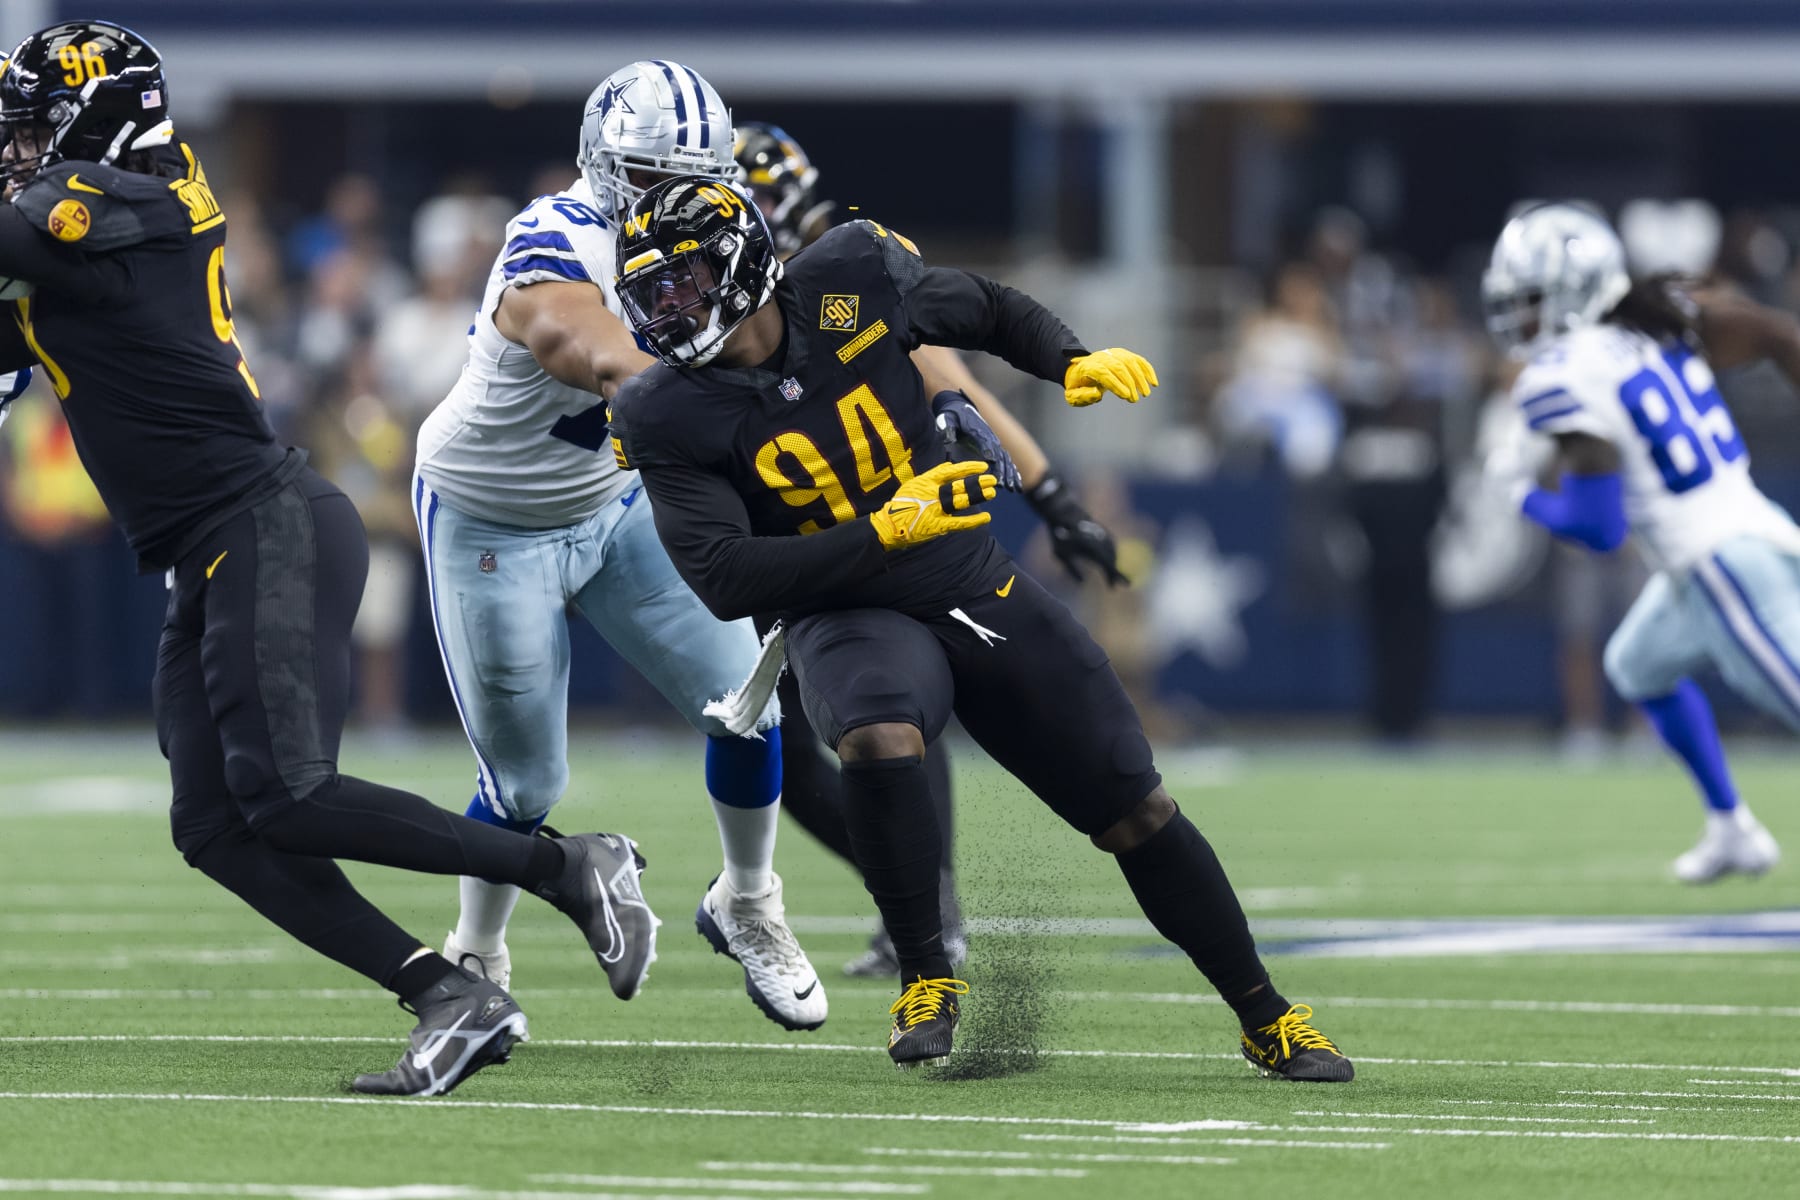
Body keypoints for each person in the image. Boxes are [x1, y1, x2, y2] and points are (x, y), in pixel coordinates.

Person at [0, 20, 665, 1097]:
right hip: (209, 543)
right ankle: (451, 994)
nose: (19, 150)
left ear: (92, 115)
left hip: (262, 523)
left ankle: (569, 864)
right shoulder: (96, 215)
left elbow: (25, 245)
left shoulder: (123, 196)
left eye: (31, 126)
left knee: (290, 793)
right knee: (216, 825)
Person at [607, 175, 1353, 1080]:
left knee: (1136, 809)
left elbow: (987, 310)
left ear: (744, 263)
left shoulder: (848, 278)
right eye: (652, 292)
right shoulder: (662, 410)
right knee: (879, 734)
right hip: (840, 607)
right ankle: (927, 971)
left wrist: (1068, 360)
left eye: (683, 280)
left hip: (962, 575)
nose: (669, 307)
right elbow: (725, 577)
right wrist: (881, 529)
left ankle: (1264, 1016)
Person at [414, 63, 824, 1031]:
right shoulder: (553, 238)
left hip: (617, 502)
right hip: (493, 518)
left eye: (695, 177)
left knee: (745, 710)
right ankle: (475, 948)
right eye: (650, 176)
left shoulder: (720, 238)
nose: (673, 200)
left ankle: (749, 900)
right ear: (604, 165)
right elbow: (591, 347)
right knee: (525, 785)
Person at [733, 121, 1129, 978]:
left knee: (888, 721)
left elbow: (961, 374)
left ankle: (928, 908)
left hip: (885, 545)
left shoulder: (841, 277)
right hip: (779, 550)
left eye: (756, 195)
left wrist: (1054, 498)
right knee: (778, 747)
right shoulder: (713, 307)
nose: (739, 213)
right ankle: (894, 896)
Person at [1483, 203, 1800, 881]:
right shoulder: (1655, 323)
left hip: (1722, 567)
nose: (1524, 320)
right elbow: (1779, 334)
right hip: (1752, 536)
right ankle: (1731, 827)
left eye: (1533, 301)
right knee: (1637, 665)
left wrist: (1521, 494)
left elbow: (1600, 531)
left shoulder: (1565, 373)